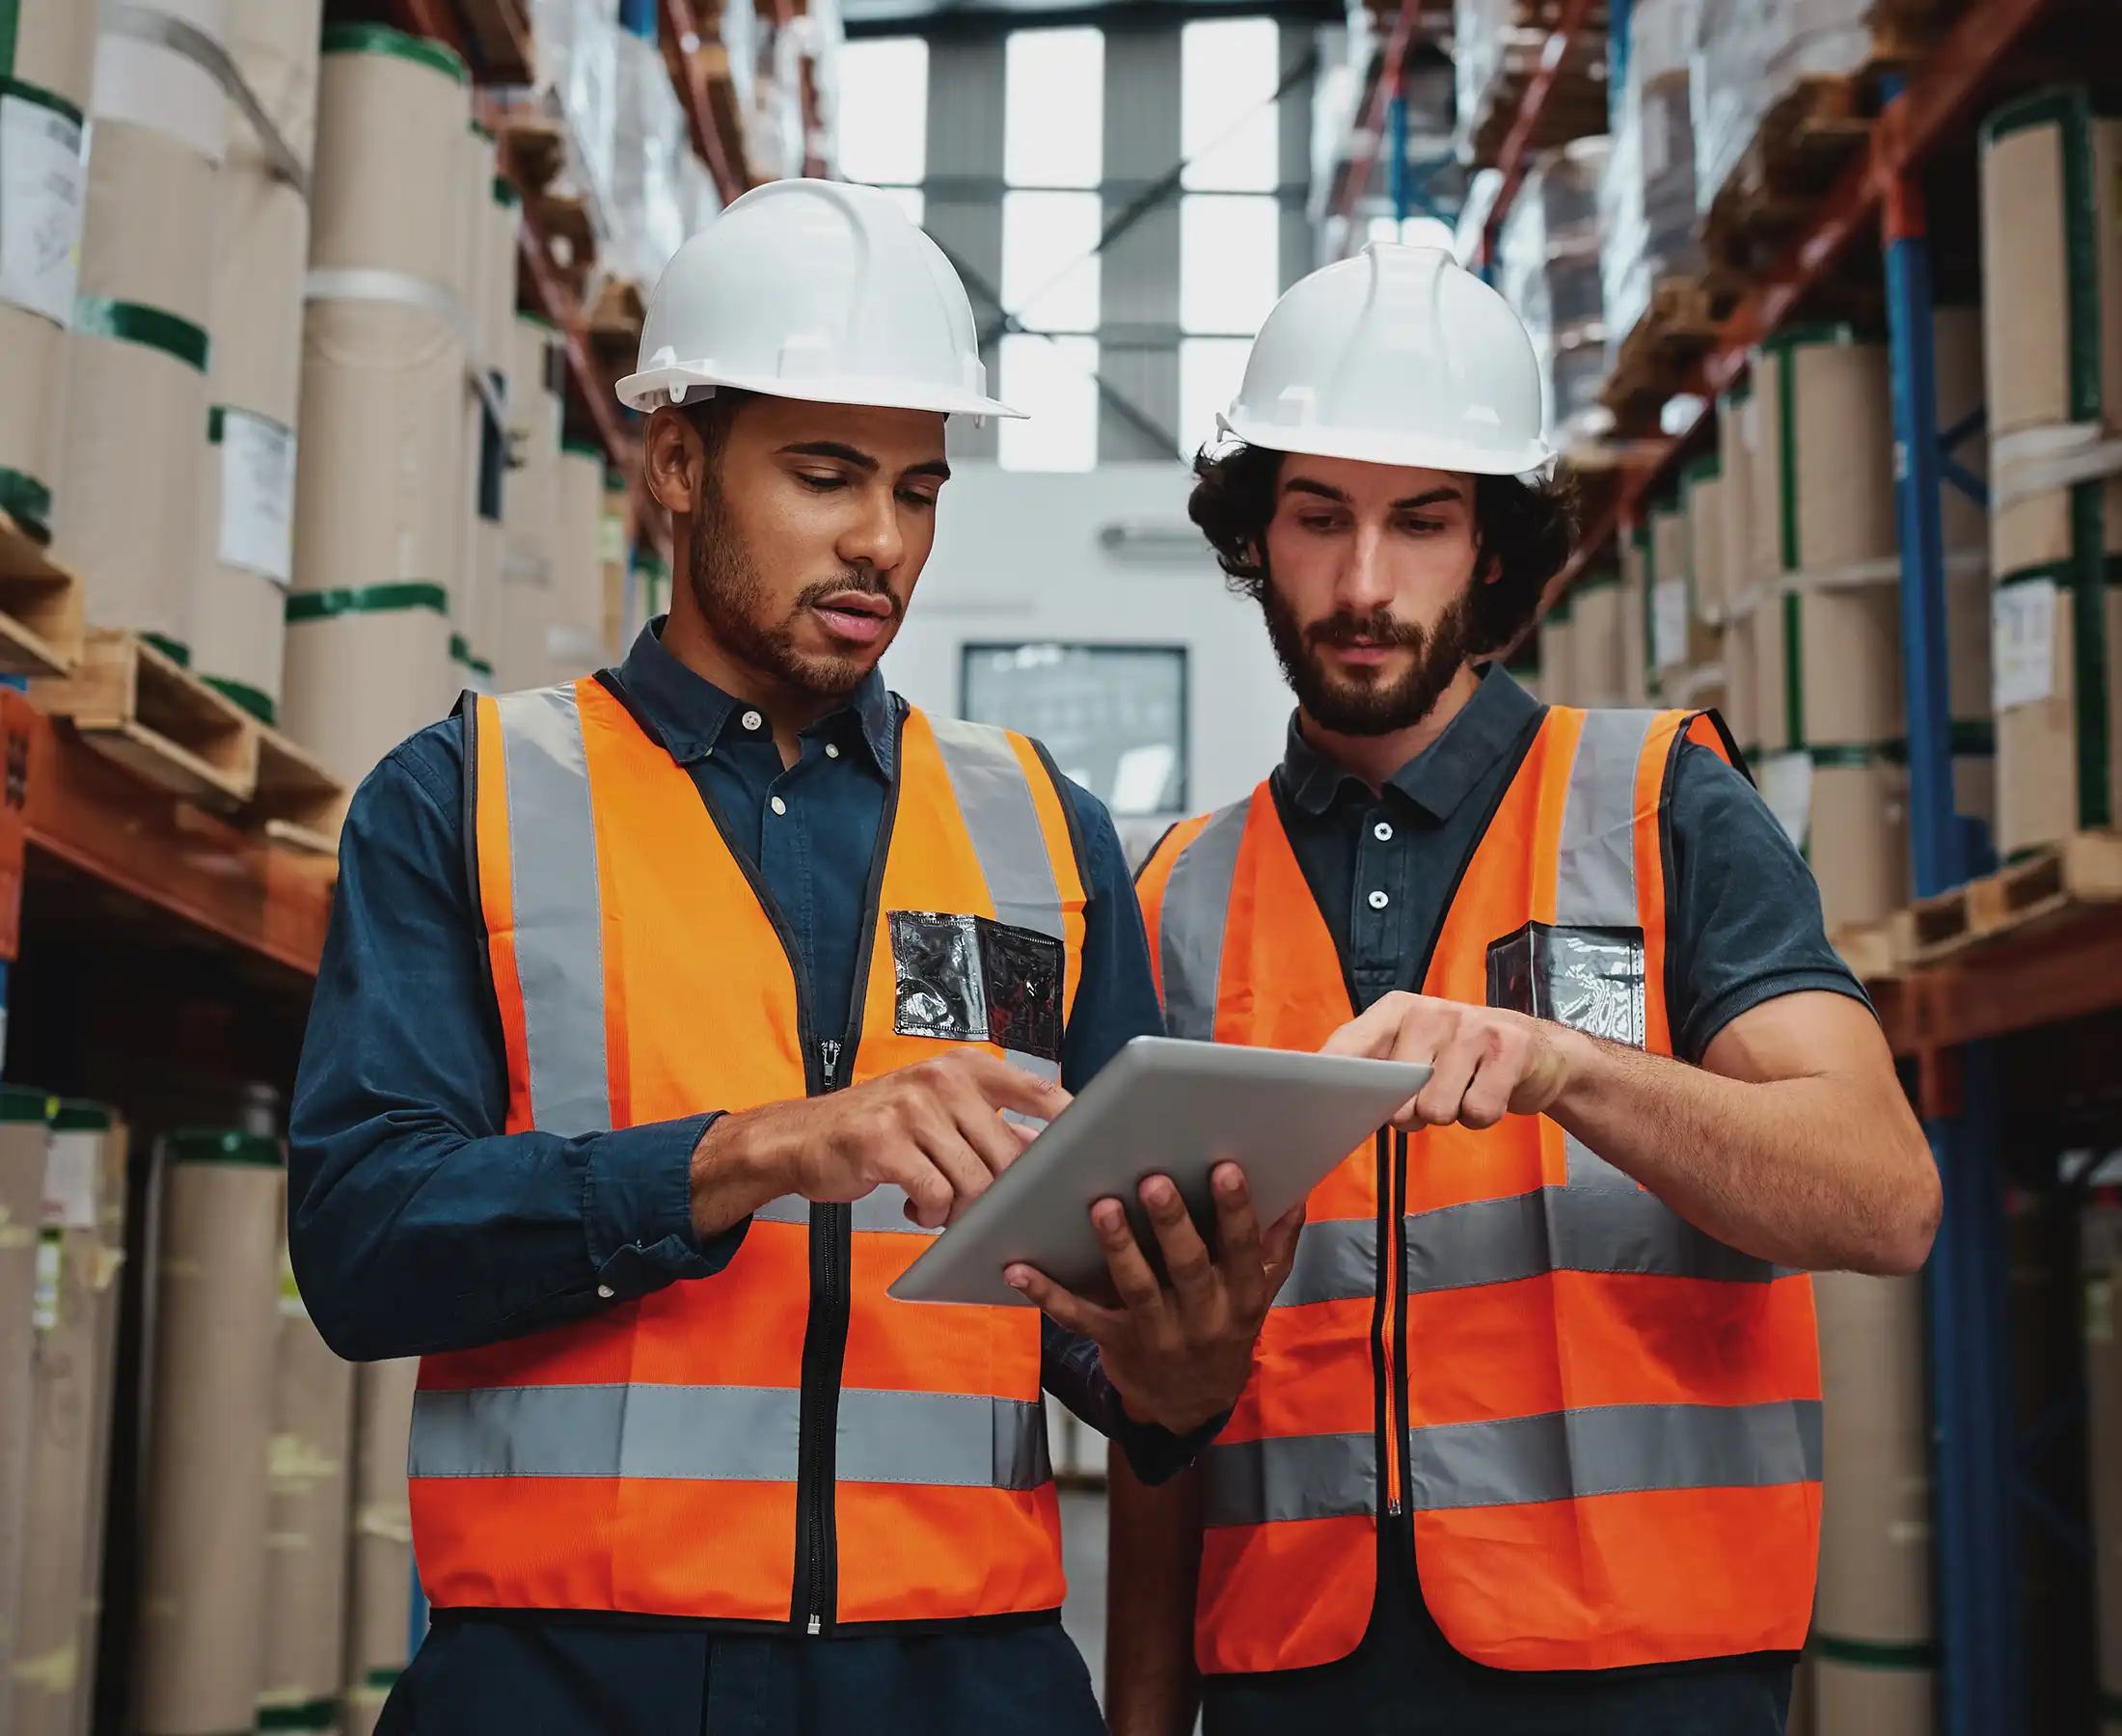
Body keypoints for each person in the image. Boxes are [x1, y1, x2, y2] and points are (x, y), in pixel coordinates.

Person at [288, 180, 1299, 1736]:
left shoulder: (1044, 828)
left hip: (965, 1680)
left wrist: (1180, 1363)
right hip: (568, 1679)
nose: (881, 542)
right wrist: (748, 1154)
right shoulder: (467, 799)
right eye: (825, 477)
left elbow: (1107, 1354)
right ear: (678, 462)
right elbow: (363, 1244)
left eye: (920, 487)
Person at [1107, 242, 1942, 1736]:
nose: (1365, 584)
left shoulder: (1660, 804)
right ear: (1258, 538)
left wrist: (1571, 1068)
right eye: (1318, 520)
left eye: (1420, 523)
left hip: (1647, 1672)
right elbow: (1159, 1406)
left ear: (1492, 545)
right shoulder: (1175, 893)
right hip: (1295, 1678)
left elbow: (1884, 1197)